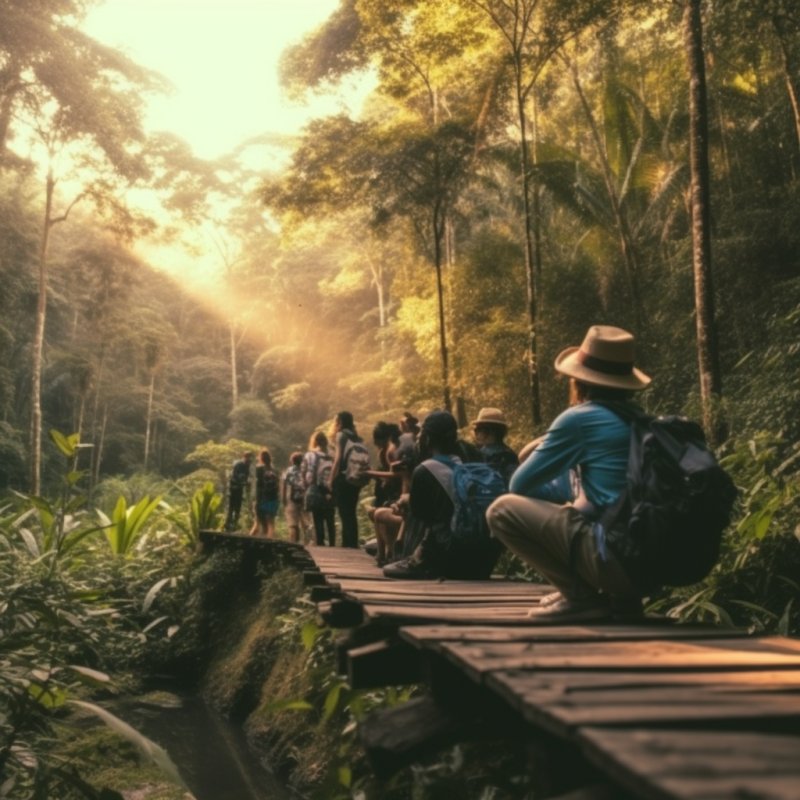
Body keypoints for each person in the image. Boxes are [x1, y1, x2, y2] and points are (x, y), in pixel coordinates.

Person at [486, 325, 651, 622]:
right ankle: (624, 602)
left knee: (500, 510)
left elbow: (519, 484)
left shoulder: (579, 419)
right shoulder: (643, 420)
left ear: (579, 380)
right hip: (651, 570)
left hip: (612, 562)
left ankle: (580, 596)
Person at [384, 410, 502, 580]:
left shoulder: (424, 470)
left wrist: (406, 501)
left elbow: (420, 514)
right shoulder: (468, 463)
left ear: (428, 439)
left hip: (449, 560)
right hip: (483, 562)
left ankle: (418, 560)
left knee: (389, 570)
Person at [366, 421, 404, 566]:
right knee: (375, 512)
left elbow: (395, 475)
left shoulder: (393, 451)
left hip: (398, 501)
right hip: (391, 498)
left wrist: (370, 473)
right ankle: (386, 551)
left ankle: (386, 554)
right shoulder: (386, 451)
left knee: (378, 513)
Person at [328, 411, 365, 548]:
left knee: (344, 513)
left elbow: (338, 460)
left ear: (340, 422)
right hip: (355, 478)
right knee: (351, 512)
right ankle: (352, 544)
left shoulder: (341, 435)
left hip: (344, 478)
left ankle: (346, 545)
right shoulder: (357, 438)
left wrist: (330, 479)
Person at [303, 431, 336, 546]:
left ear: (315, 441)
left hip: (315, 489)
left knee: (318, 520)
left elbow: (306, 473)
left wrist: (306, 487)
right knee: (330, 520)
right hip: (331, 490)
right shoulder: (333, 454)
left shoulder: (310, 455)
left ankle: (321, 545)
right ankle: (333, 545)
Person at [472, 407, 519, 488]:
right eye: (476, 430)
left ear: (493, 431)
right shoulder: (476, 453)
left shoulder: (508, 457)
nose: (477, 433)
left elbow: (512, 485)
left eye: (480, 429)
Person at [249, 448, 279, 538]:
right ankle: (270, 539)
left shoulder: (258, 469)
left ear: (260, 458)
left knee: (257, 522)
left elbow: (255, 485)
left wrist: (253, 499)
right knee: (271, 523)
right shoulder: (275, 471)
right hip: (273, 498)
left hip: (261, 498)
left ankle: (250, 539)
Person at [282, 451, 310, 544]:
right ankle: (308, 544)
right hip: (304, 499)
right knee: (306, 524)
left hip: (292, 499)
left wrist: (283, 500)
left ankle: (293, 543)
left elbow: (284, 486)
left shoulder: (288, 471)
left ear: (292, 461)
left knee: (293, 525)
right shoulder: (305, 470)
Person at [224, 450, 253, 531]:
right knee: (231, 507)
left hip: (239, 489)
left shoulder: (247, 466)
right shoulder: (238, 465)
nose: (249, 461)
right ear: (244, 457)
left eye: (250, 459)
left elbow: (246, 477)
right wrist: (242, 483)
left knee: (237, 508)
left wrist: (246, 484)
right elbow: (234, 477)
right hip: (234, 489)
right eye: (248, 459)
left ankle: (234, 525)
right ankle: (227, 525)